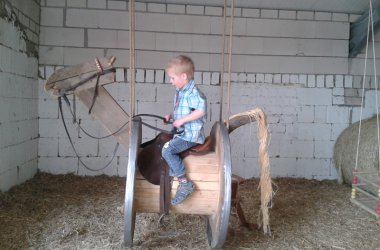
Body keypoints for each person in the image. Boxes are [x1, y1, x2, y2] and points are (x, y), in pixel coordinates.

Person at [162, 55, 207, 205]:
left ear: (183, 76)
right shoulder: (181, 91)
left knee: (167, 150)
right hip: (182, 132)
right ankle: (174, 173)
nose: (170, 81)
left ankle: (185, 183)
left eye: (172, 78)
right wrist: (172, 116)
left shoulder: (193, 92)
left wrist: (182, 120)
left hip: (190, 136)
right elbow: (182, 111)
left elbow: (200, 111)